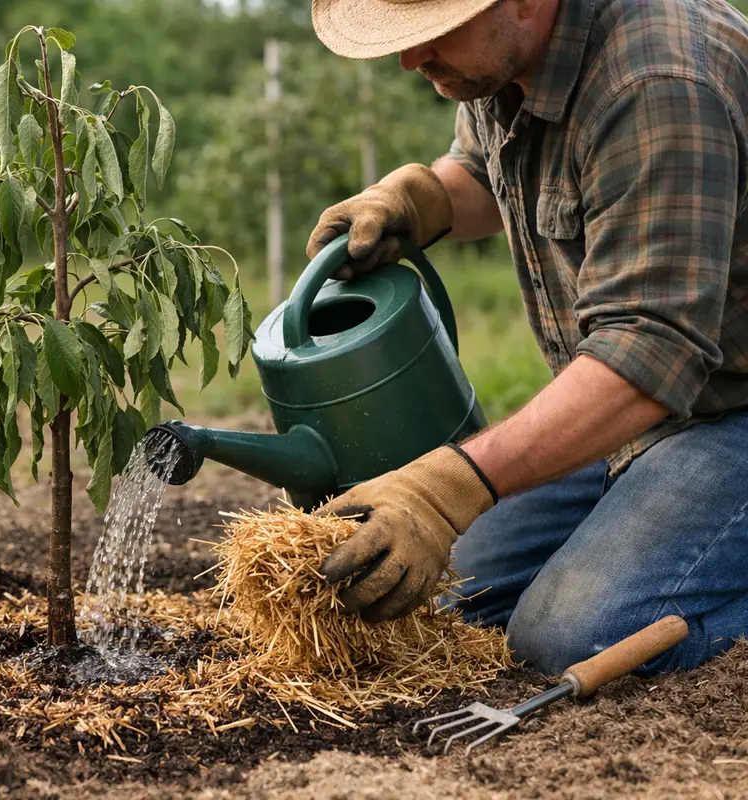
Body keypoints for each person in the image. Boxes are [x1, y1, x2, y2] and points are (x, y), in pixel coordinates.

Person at [306, 0, 748, 676]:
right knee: (447, 596)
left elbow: (649, 354)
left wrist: (442, 489)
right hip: (644, 410)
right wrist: (417, 199)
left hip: (725, 409)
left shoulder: (656, 82)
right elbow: (484, 170)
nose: (409, 59)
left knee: (578, 635)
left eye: (432, 34)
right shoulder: (499, 62)